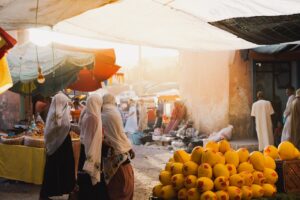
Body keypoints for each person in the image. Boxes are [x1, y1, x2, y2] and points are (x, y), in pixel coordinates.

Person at [40, 92, 75, 200]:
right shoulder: (58, 116)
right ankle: (56, 191)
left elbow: (51, 131)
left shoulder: (56, 114)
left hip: (58, 146)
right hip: (62, 146)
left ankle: (58, 190)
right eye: (65, 103)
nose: (66, 105)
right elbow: (59, 127)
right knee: (59, 169)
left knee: (58, 168)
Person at [101, 93, 135, 200]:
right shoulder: (115, 111)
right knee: (125, 190)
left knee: (117, 191)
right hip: (124, 157)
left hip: (115, 162)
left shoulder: (102, 114)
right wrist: (129, 148)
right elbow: (120, 133)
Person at [78, 94, 107, 199]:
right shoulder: (93, 118)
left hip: (86, 150)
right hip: (89, 151)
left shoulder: (87, 114)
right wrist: (90, 157)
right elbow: (90, 139)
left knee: (86, 181)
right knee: (89, 180)